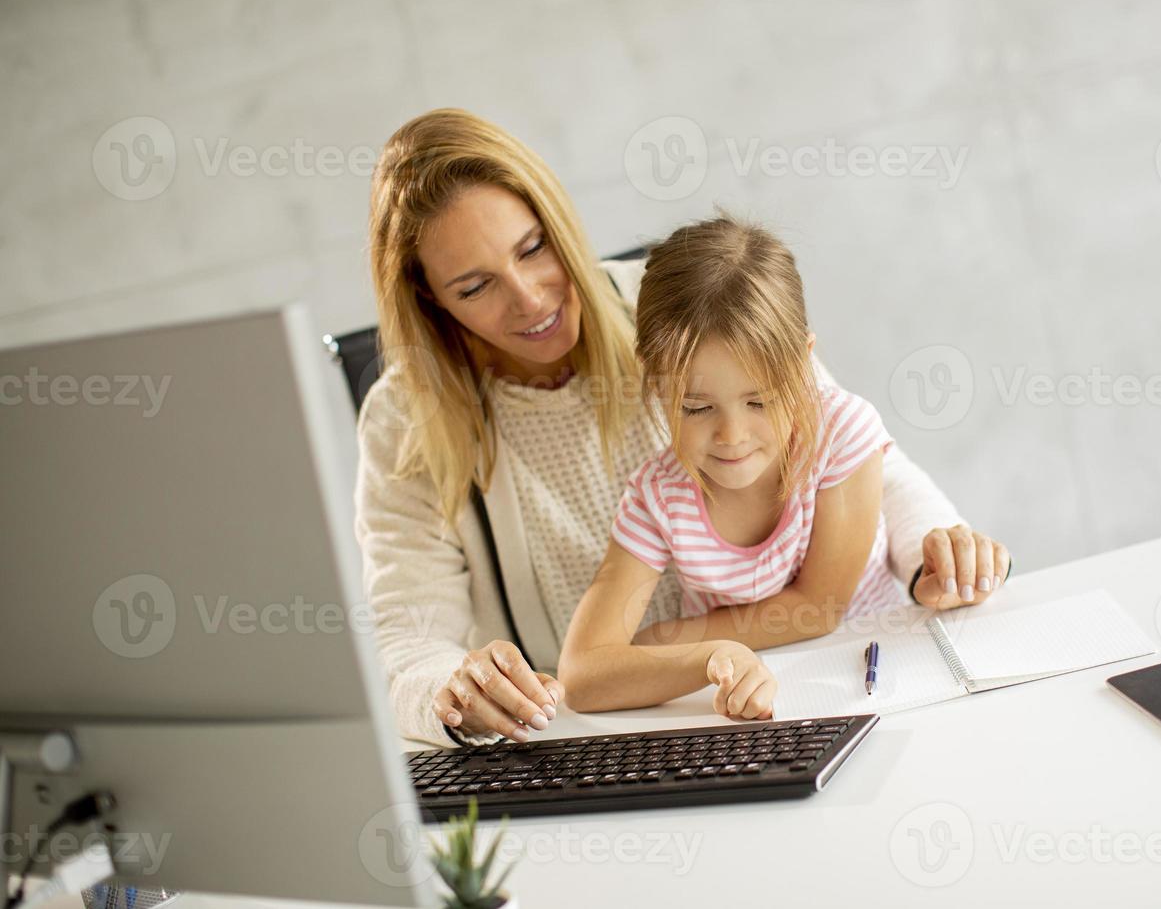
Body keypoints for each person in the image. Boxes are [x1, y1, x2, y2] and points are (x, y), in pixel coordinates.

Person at [354, 108, 1011, 746]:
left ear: (559, 221)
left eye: (534, 247)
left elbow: (848, 451)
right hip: (600, 728)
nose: (530, 299)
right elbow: (407, 637)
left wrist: (932, 550)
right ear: (429, 300)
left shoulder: (674, 304)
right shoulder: (402, 418)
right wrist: (451, 687)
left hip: (779, 684)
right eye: (475, 288)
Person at [559, 215, 912, 720]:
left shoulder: (841, 432)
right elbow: (582, 676)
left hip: (881, 684)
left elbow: (820, 607)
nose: (731, 436)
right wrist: (709, 656)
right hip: (752, 713)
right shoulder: (658, 496)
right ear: (657, 387)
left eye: (760, 401)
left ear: (803, 364)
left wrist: (664, 640)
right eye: (696, 408)